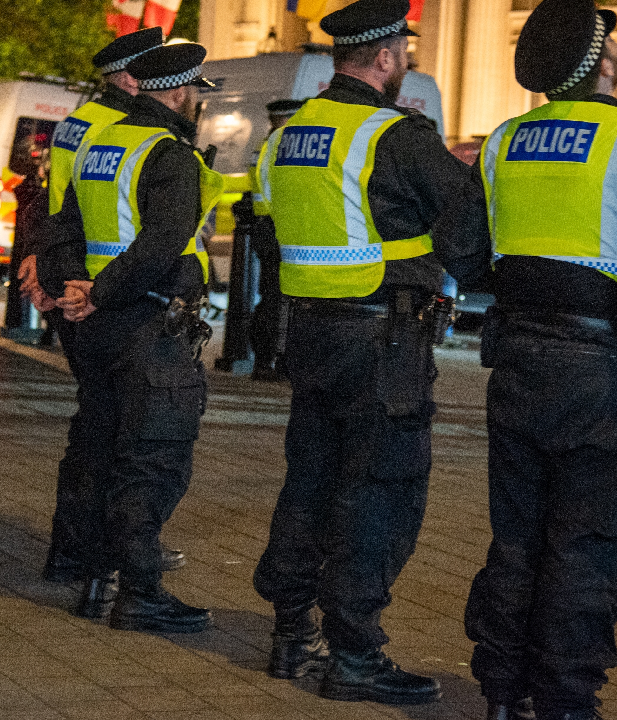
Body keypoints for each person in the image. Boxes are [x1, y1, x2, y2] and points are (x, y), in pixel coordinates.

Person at [250, 0, 485, 704]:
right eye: (401, 52)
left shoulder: (289, 136)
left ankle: (292, 633)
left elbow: (267, 234)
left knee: (310, 482)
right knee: (378, 493)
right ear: (384, 59)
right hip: (381, 342)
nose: (404, 61)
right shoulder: (395, 135)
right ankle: (354, 655)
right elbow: (466, 225)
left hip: (309, 334)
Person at [437, 2, 617, 718]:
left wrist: (517, 281)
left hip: (515, 358)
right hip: (599, 367)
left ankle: (501, 691)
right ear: (602, 62)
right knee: (584, 539)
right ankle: (566, 700)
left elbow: (460, 250)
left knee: (515, 535)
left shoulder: (504, 140)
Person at [39, 42, 220, 633]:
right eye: (194, 93)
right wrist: (103, 290)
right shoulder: (171, 155)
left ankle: (96, 575)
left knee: (99, 446)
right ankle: (140, 592)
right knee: (152, 459)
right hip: (143, 323)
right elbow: (162, 244)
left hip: (96, 327)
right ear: (179, 92)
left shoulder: (100, 143)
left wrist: (70, 283)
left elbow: (62, 223)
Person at [17, 27, 178, 585]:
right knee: (129, 438)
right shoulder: (128, 130)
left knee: (92, 428)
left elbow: (55, 200)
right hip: (111, 294)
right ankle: (115, 555)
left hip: (76, 280)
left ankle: (74, 552)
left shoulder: (79, 123)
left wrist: (41, 259)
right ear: (134, 77)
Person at [245, 99, 304, 381]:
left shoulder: (266, 144)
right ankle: (272, 360)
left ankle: (264, 360)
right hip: (279, 227)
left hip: (266, 227)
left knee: (270, 297)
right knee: (279, 300)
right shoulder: (283, 142)